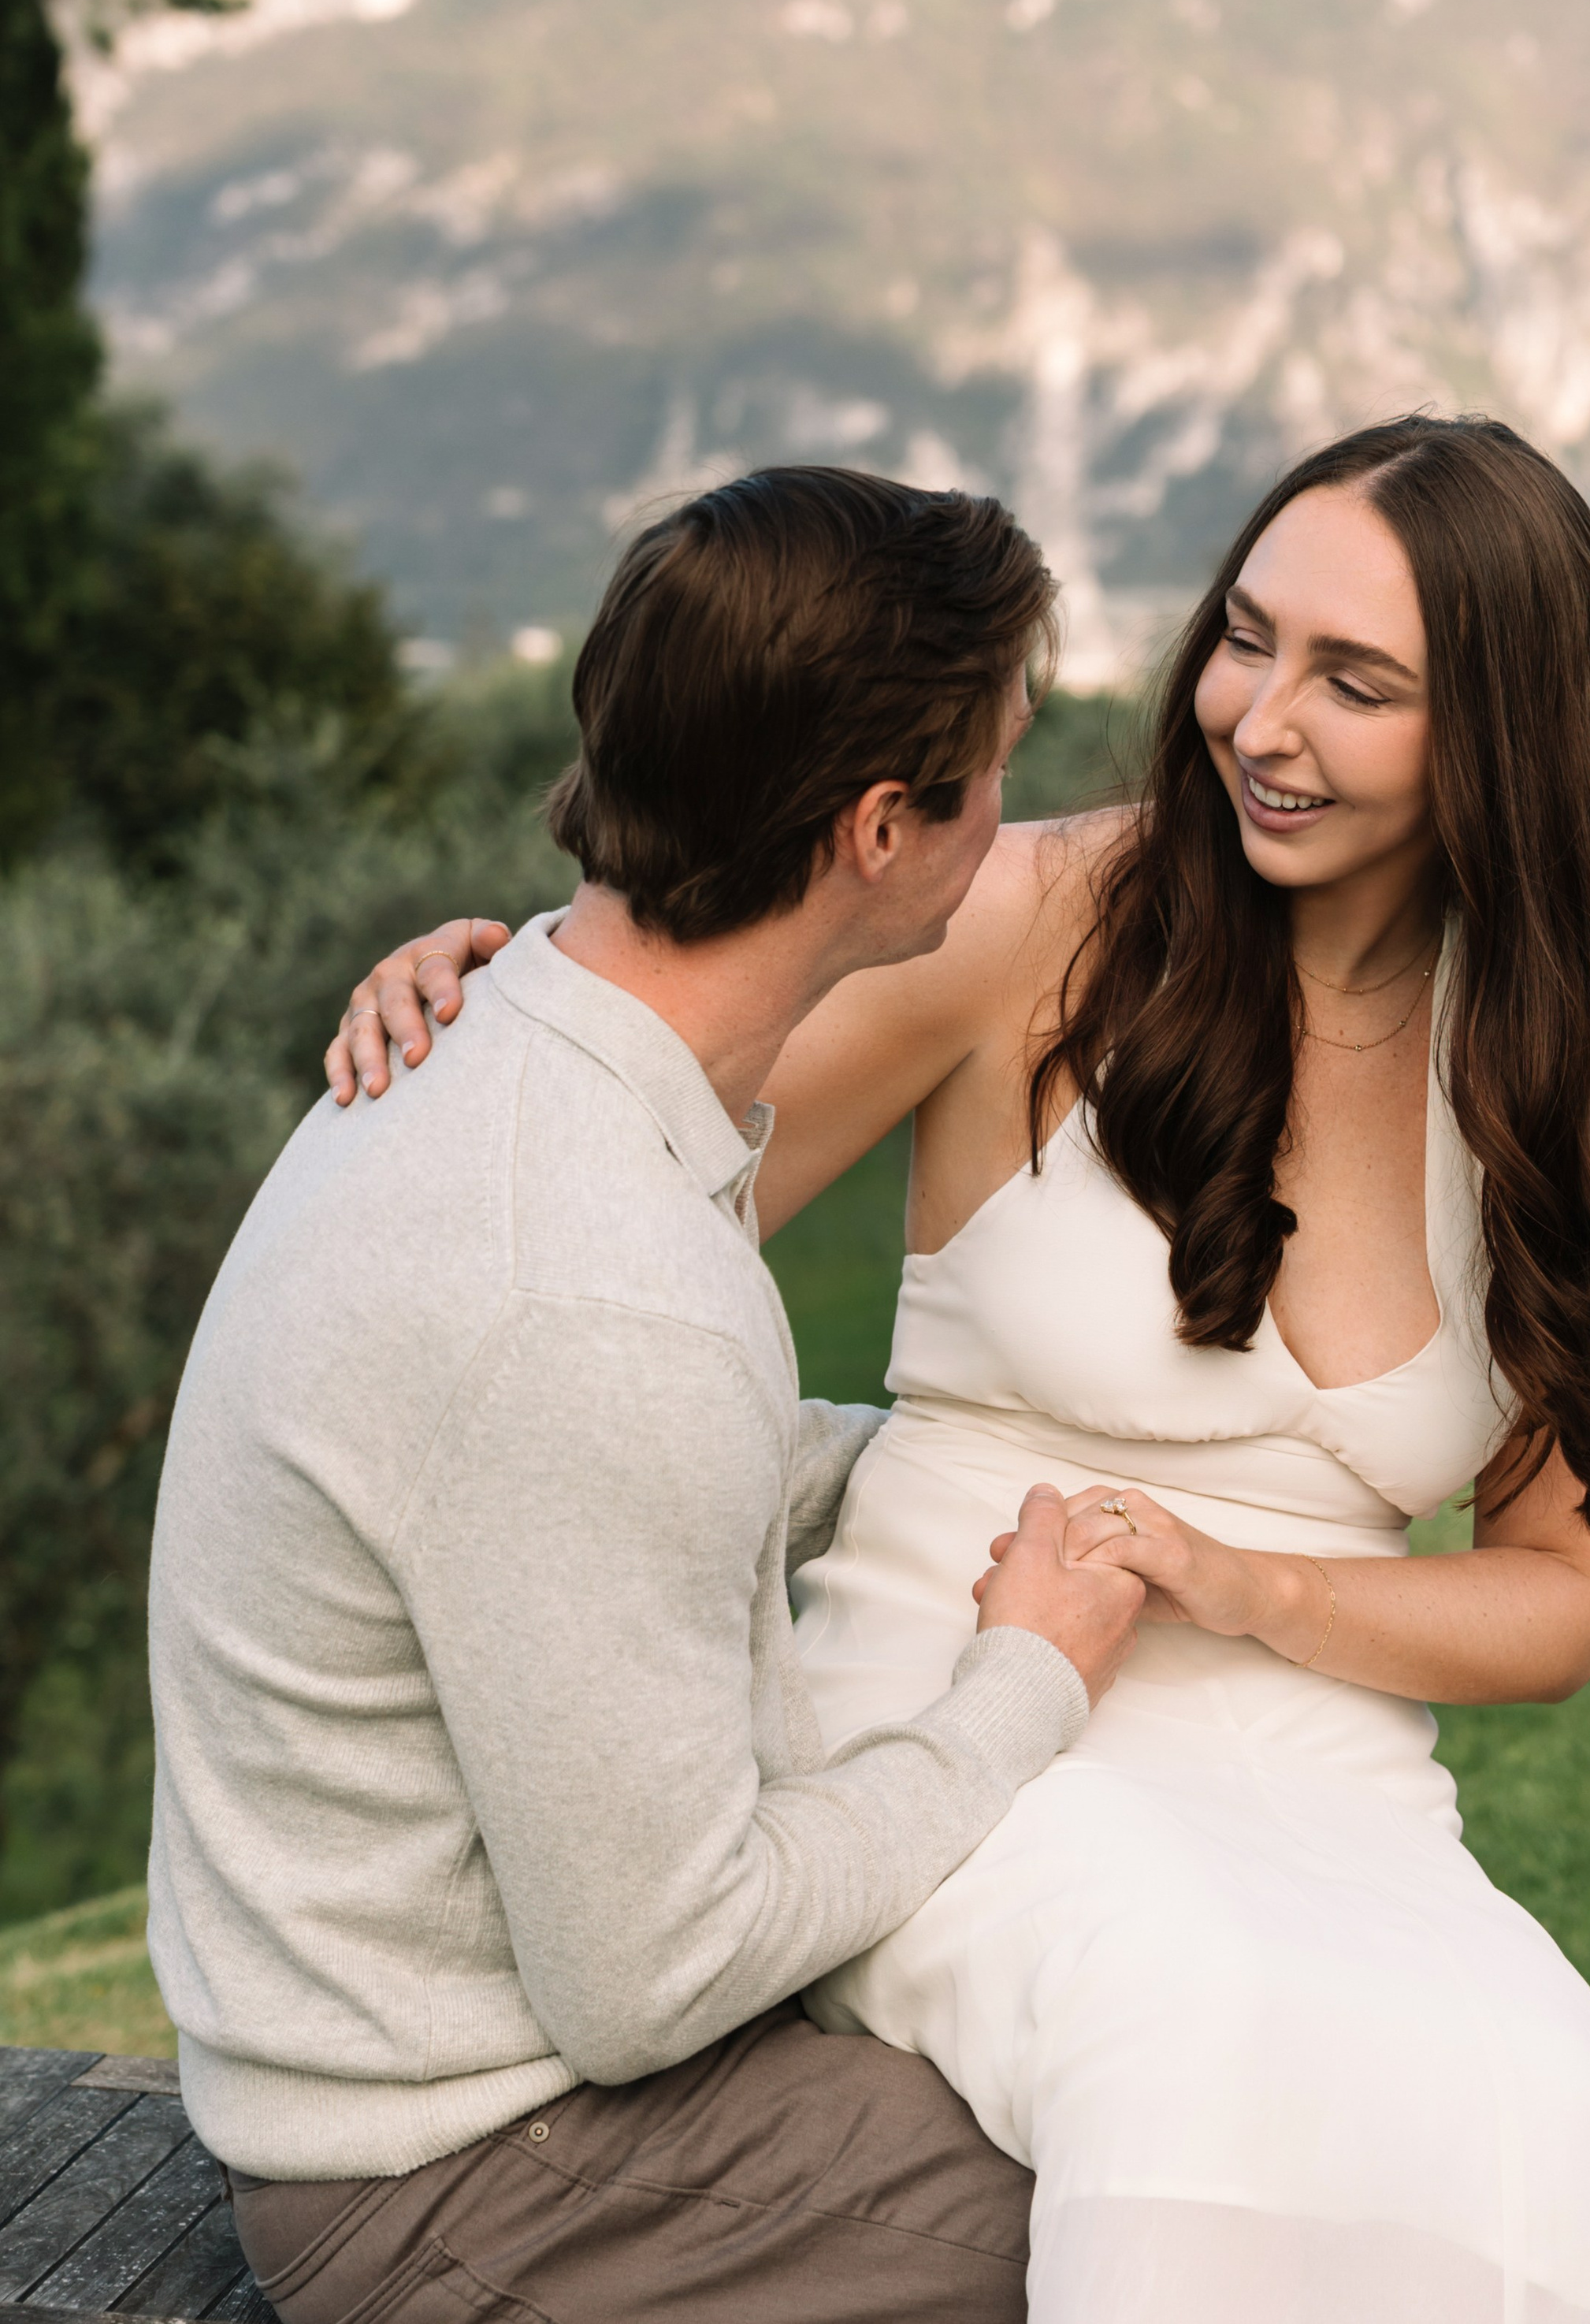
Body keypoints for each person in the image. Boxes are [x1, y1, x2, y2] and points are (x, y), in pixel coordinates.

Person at [337, 415, 1590, 2323]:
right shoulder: (1033, 923)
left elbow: (1560, 1598)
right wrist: (482, 1012)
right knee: (1184, 2013)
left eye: (1356, 683)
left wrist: (1243, 1585)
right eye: (1246, 638)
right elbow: (610, 1174)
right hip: (957, 1697)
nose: (1258, 718)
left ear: (1499, 731)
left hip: (1324, 1786)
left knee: (1531, 2080)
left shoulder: (1574, 1110)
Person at [148, 468, 1150, 2324]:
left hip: (455, 2084)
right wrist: (1029, 1683)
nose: (1011, 821)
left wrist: (950, 1472)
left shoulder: (519, 1039)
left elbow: (596, 1496)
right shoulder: (594, 1294)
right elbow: (656, 1974)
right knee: (1201, 2212)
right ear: (877, 832)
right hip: (466, 2177)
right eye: (995, 770)